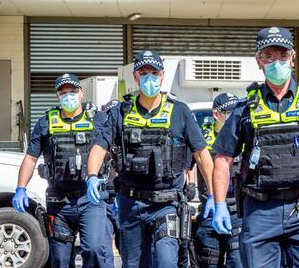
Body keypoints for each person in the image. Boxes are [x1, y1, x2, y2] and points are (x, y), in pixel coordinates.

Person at [210, 26, 299, 268]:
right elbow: (223, 159)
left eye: (283, 55)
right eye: (269, 55)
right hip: (260, 211)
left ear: (293, 57)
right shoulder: (245, 108)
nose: (277, 61)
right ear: (258, 60)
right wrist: (219, 205)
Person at [86, 50, 216, 268]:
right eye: (144, 73)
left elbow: (202, 154)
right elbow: (100, 146)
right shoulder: (121, 112)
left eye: (154, 73)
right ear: (135, 77)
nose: (149, 78)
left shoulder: (179, 111)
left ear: (162, 75)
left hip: (167, 204)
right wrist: (91, 175)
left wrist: (214, 196)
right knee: (135, 264)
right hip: (131, 203)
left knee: (166, 261)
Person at [12, 73, 113, 267]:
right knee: (59, 259)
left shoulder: (99, 120)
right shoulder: (46, 122)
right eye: (63, 92)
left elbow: (109, 151)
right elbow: (31, 158)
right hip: (59, 202)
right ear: (57, 96)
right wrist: (21, 188)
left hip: (89, 200)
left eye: (73, 91)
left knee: (93, 250)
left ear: (81, 93)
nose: (69, 96)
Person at [194, 93, 243, 268]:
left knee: (238, 262)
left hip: (238, 210)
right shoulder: (202, 139)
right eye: (229, 112)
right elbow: (187, 168)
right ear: (216, 114)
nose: (234, 116)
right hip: (210, 209)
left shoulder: (244, 137)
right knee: (209, 261)